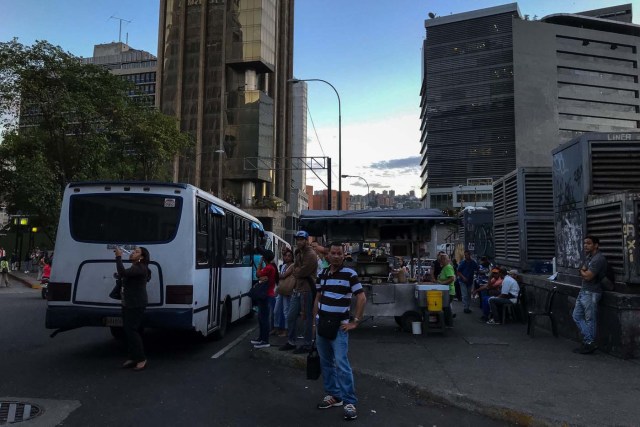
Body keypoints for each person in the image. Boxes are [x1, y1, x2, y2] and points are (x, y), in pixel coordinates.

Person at [313, 242, 366, 422]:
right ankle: (334, 395)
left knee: (342, 365)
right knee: (326, 362)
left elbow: (361, 297)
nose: (336, 256)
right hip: (322, 324)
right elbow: (318, 297)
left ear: (343, 256)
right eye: (333, 253)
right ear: (328, 256)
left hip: (340, 327)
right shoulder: (323, 273)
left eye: (339, 253)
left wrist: (355, 322)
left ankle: (350, 402)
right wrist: (315, 321)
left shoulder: (350, 274)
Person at [115, 246, 151, 371]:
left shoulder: (140, 268)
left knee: (132, 330)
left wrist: (118, 256)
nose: (132, 253)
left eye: (136, 252)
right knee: (128, 330)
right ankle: (133, 357)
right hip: (128, 302)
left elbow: (122, 273)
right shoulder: (136, 267)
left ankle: (141, 359)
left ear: (141, 257)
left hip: (136, 303)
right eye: (133, 251)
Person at [280, 230, 317, 354]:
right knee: (291, 316)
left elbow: (301, 272)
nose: (299, 241)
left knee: (306, 318)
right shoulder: (298, 252)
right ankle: (291, 341)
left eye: (302, 239)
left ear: (307, 240)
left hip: (307, 289)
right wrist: (296, 270)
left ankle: (307, 344)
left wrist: (296, 271)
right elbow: (296, 268)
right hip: (297, 288)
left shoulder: (311, 254)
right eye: (298, 239)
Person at [572, 234, 607, 354]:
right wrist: (583, 271)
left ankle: (589, 343)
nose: (585, 245)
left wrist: (582, 271)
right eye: (585, 243)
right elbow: (583, 271)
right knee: (576, 316)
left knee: (590, 319)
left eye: (589, 243)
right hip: (584, 291)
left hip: (592, 292)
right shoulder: (589, 257)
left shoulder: (598, 259)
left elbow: (588, 276)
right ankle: (589, 342)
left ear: (596, 245)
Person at [251, 250, 277, 349]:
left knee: (264, 318)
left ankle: (264, 340)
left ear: (265, 258)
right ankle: (261, 338)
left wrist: (260, 263)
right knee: (261, 318)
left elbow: (258, 274)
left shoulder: (269, 268)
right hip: (266, 294)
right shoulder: (270, 267)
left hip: (266, 295)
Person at [273, 249, 294, 337]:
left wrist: (275, 273)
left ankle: (286, 330)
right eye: (286, 255)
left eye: (289, 256)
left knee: (286, 311)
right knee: (276, 310)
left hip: (287, 290)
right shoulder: (284, 265)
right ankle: (276, 328)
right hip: (281, 289)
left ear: (292, 257)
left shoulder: (292, 265)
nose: (287, 257)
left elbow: (283, 275)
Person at [436, 253, 456, 326]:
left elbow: (452, 278)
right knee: (446, 307)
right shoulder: (445, 267)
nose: (440, 261)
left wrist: (442, 283)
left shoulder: (448, 267)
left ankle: (448, 324)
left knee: (446, 308)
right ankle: (447, 323)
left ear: (445, 260)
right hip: (445, 291)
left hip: (448, 291)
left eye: (441, 260)